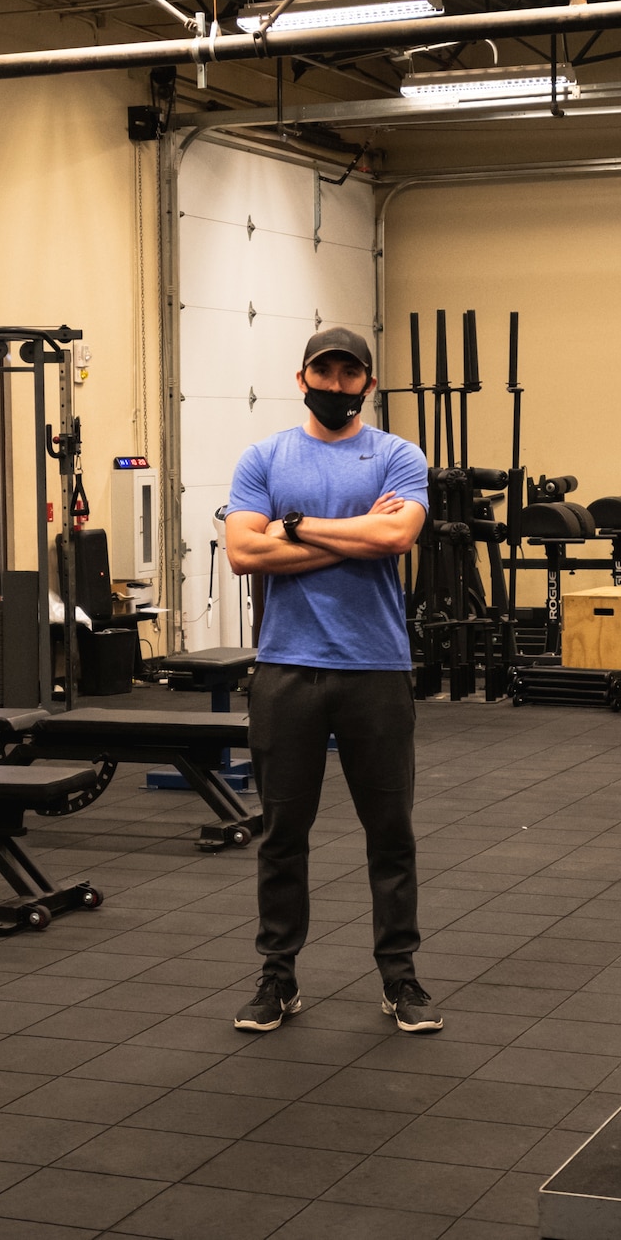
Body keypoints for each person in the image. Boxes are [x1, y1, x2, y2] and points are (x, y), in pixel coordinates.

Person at [223, 327, 442, 1034]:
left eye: (351, 374)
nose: (338, 383)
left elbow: (396, 539)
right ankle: (276, 978)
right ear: (303, 376)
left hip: (375, 668)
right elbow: (240, 553)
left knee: (391, 833)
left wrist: (293, 529)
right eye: (326, 371)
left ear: (368, 384)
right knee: (283, 833)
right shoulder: (265, 456)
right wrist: (346, 534)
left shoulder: (398, 456)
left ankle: (401, 977)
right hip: (287, 667)